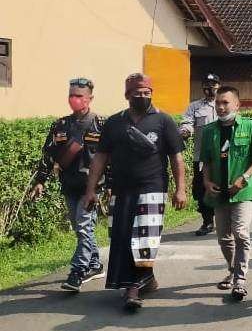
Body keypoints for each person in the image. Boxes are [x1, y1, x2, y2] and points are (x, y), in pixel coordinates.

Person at [82, 73, 188, 311]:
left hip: (152, 188)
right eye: (137, 93)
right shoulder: (114, 123)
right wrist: (91, 190)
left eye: (146, 93)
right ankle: (146, 279)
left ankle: (132, 288)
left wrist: (180, 189)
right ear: (127, 95)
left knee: (143, 239)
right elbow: (100, 158)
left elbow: (176, 158)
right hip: (120, 190)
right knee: (122, 237)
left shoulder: (163, 121)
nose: (142, 96)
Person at [29, 78, 109, 292]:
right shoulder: (60, 125)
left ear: (89, 98)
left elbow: (110, 157)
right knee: (79, 228)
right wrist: (40, 181)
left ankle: (78, 271)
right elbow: (49, 154)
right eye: (71, 95)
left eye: (79, 96)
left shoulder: (101, 124)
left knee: (84, 226)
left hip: (91, 187)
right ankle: (95, 264)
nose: (74, 99)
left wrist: (111, 185)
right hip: (69, 185)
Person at [199, 86, 252, 301]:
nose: (220, 107)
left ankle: (240, 280)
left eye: (225, 103)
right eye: (218, 103)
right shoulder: (209, 130)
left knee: (241, 233)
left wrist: (244, 178)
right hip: (219, 192)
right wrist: (207, 181)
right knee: (223, 238)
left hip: (243, 191)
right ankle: (231, 269)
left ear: (237, 104)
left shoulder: (251, 126)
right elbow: (206, 161)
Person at [180, 74, 220, 236]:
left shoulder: (225, 103)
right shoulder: (194, 106)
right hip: (201, 158)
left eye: (213, 84)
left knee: (225, 187)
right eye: (206, 84)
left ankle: (227, 220)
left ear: (219, 85)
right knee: (201, 190)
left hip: (223, 157)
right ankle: (207, 221)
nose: (209, 88)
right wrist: (185, 131)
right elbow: (187, 122)